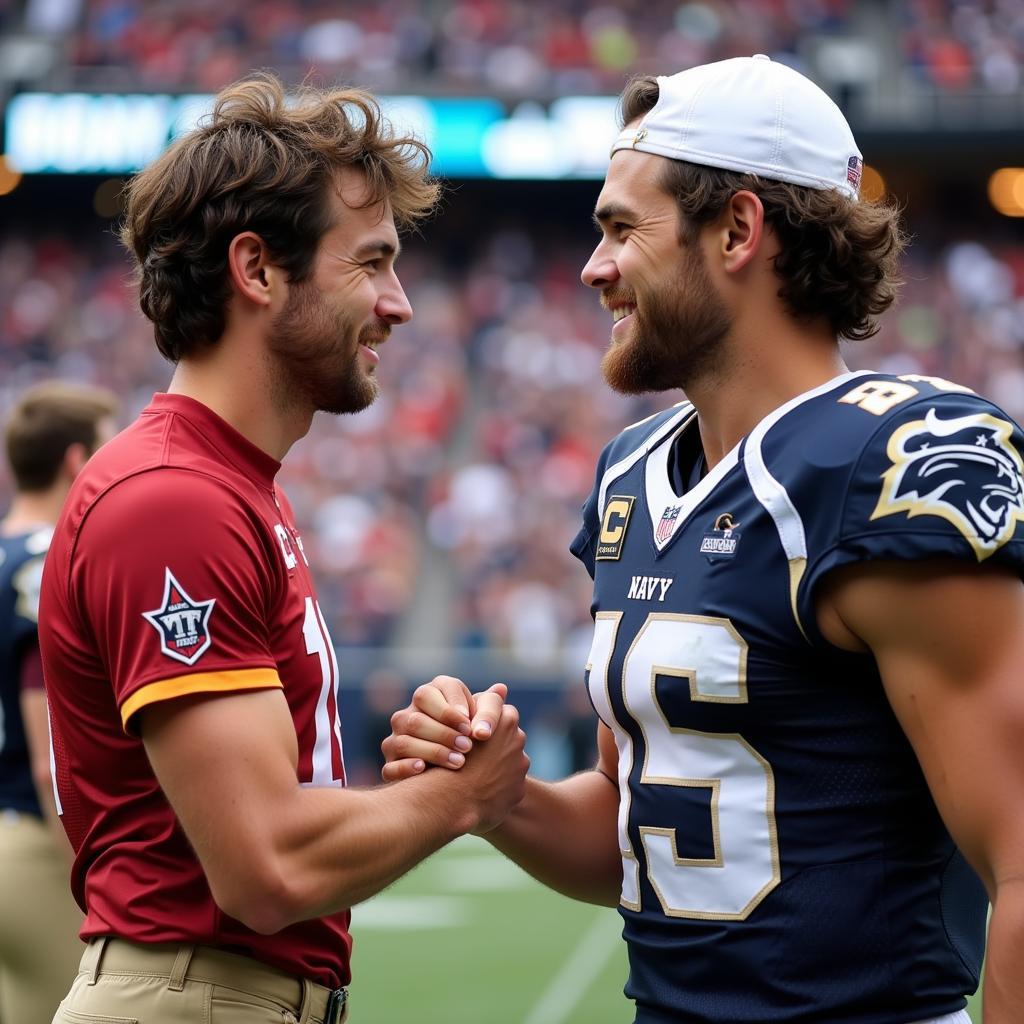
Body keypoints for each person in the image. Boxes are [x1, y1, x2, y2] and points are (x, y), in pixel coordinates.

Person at [382, 56, 1024, 1023]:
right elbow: (637, 835)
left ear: (737, 230)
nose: (594, 267)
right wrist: (497, 796)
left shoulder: (891, 463)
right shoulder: (631, 475)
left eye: (621, 228)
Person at [38, 74, 528, 1024]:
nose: (400, 305)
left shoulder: (222, 482)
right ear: (257, 270)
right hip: (189, 996)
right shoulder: (174, 500)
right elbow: (264, 865)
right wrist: (461, 798)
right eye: (372, 262)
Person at [0, 382, 118, 1024]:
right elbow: (50, 756)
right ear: (78, 461)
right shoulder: (49, 558)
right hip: (35, 839)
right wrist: (90, 877)